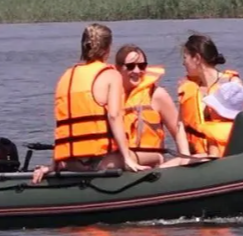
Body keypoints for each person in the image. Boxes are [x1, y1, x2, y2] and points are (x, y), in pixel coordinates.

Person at [32, 23, 144, 183]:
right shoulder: (111, 75)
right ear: (108, 49)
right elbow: (114, 116)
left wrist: (52, 165)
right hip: (100, 162)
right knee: (154, 157)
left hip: (71, 164)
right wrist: (127, 158)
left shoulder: (66, 76)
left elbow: (62, 128)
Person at [114, 43, 194, 168]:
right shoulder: (111, 98)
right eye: (130, 66)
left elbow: (179, 132)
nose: (137, 71)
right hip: (123, 163)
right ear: (118, 68)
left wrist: (185, 161)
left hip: (151, 165)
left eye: (141, 66)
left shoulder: (157, 95)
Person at [177, 33, 243, 158]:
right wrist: (185, 156)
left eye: (185, 58)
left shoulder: (231, 85)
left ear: (197, 58)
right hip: (196, 157)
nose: (183, 63)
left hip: (227, 156)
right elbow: (180, 125)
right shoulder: (189, 88)